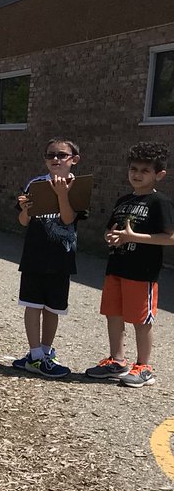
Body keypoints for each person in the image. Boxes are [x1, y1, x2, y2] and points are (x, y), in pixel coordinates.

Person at [85, 141, 174, 387]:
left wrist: (133, 237)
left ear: (159, 175)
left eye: (144, 171)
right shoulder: (123, 200)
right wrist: (111, 238)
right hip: (116, 268)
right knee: (113, 315)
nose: (137, 174)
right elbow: (109, 231)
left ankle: (144, 366)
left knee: (141, 320)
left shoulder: (160, 203)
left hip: (141, 273)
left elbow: (170, 237)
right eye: (133, 169)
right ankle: (117, 361)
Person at [12, 138, 84, 378]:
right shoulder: (35, 183)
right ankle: (34, 355)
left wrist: (62, 194)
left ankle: (45, 352)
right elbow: (23, 222)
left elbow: (67, 219)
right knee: (32, 305)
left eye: (62, 155)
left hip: (61, 258)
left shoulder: (79, 186)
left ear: (74, 160)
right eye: (50, 154)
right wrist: (25, 209)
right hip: (34, 255)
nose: (55, 159)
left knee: (53, 308)